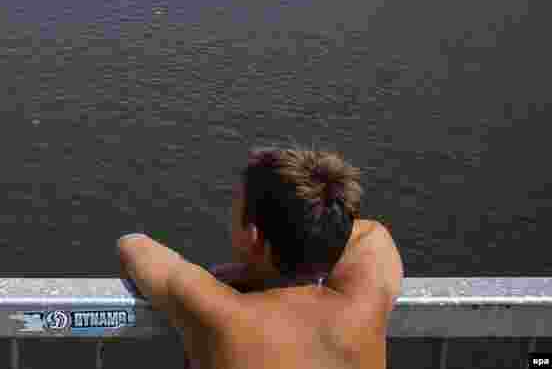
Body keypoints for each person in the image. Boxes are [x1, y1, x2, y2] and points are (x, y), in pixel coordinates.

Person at [118, 147, 403, 369]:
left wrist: (230, 276)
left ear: (254, 237)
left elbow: (134, 246)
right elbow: (371, 235)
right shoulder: (363, 310)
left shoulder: (221, 312)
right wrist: (312, 234)